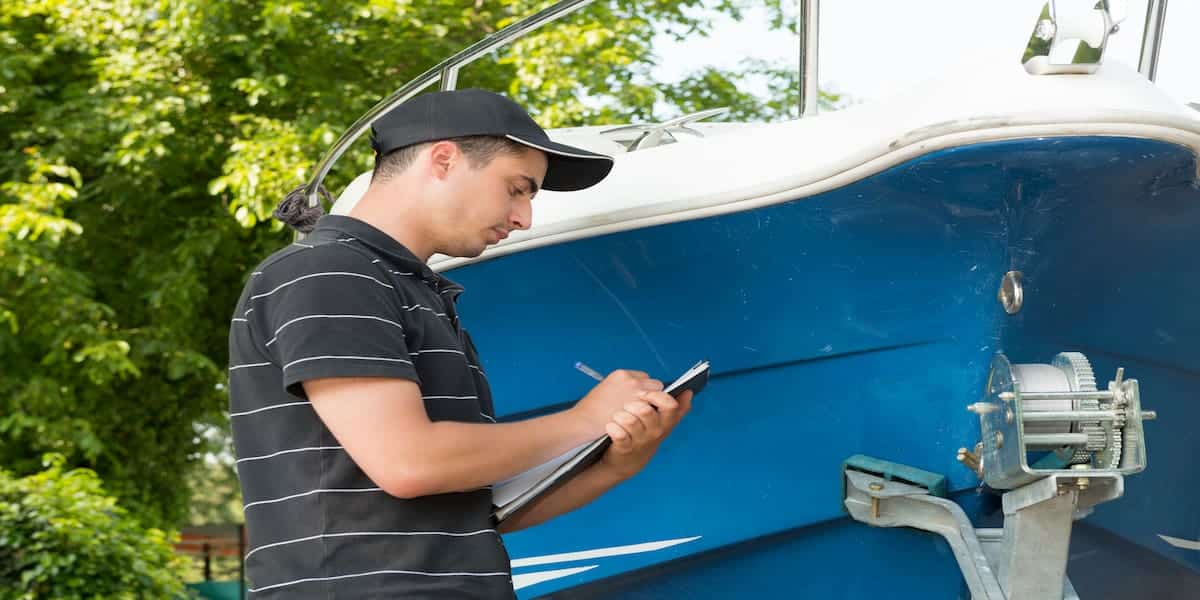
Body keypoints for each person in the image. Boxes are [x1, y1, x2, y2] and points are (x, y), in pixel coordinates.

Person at [227, 88, 693, 599]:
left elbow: (479, 510)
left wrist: (617, 464)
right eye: (518, 189)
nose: (524, 219)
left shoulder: (415, 293)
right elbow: (410, 463)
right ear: (443, 159)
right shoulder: (328, 271)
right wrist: (585, 420)